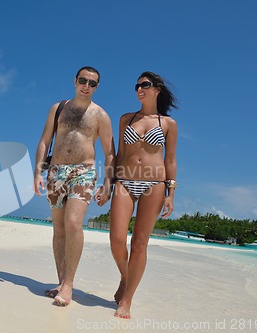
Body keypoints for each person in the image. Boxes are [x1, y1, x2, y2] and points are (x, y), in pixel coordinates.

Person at [34, 66, 115, 306]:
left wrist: (107, 183)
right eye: (83, 80)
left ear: (96, 87)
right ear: (75, 80)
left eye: (92, 83)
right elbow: (44, 140)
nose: (86, 85)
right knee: (58, 229)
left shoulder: (100, 115)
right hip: (56, 172)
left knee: (72, 224)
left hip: (84, 172)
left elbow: (110, 153)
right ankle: (61, 281)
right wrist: (38, 171)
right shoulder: (57, 108)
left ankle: (69, 284)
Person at [108, 71, 178, 319]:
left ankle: (126, 299)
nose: (139, 89)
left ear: (157, 89)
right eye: (137, 85)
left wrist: (170, 192)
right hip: (125, 181)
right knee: (117, 239)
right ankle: (126, 279)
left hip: (155, 184)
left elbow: (170, 159)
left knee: (139, 243)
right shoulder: (126, 118)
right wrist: (109, 182)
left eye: (145, 85)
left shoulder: (168, 124)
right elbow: (118, 155)